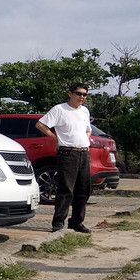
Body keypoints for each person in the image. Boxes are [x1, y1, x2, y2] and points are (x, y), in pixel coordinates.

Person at [36, 83, 94, 233]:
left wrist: (85, 143)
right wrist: (55, 138)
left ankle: (76, 222)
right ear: (70, 93)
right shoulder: (60, 109)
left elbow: (88, 129)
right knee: (66, 189)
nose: (81, 97)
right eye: (78, 93)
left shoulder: (84, 111)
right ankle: (58, 222)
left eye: (84, 94)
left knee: (83, 190)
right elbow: (41, 124)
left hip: (83, 153)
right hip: (68, 154)